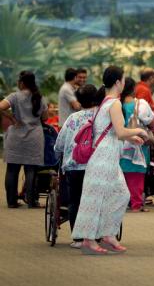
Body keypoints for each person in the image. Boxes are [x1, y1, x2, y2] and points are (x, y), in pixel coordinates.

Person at [72, 66, 148, 255]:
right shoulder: (113, 103)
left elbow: (113, 132)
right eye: (123, 80)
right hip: (104, 157)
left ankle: (108, 234)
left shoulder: (104, 102)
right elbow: (120, 131)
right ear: (117, 82)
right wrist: (138, 131)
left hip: (104, 156)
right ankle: (89, 240)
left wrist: (131, 138)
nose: (124, 83)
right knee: (96, 198)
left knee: (120, 194)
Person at [54, 84, 99, 247]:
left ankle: (79, 238)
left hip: (74, 166)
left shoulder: (72, 118)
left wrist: (58, 154)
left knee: (75, 201)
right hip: (97, 166)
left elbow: (59, 143)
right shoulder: (102, 118)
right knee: (95, 200)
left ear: (79, 101)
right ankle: (95, 235)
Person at [1, 71, 47, 208]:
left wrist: (11, 118)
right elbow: (44, 118)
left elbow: (0, 106)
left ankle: (11, 202)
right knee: (31, 170)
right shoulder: (40, 97)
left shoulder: (14, 96)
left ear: (21, 83)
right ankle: (32, 202)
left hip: (16, 138)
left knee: (12, 170)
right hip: (34, 137)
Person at [120, 77, 154, 212]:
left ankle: (123, 203)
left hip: (121, 144)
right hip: (138, 144)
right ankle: (136, 204)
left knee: (123, 173)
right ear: (133, 89)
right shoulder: (140, 104)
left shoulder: (118, 104)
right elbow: (151, 122)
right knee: (137, 174)